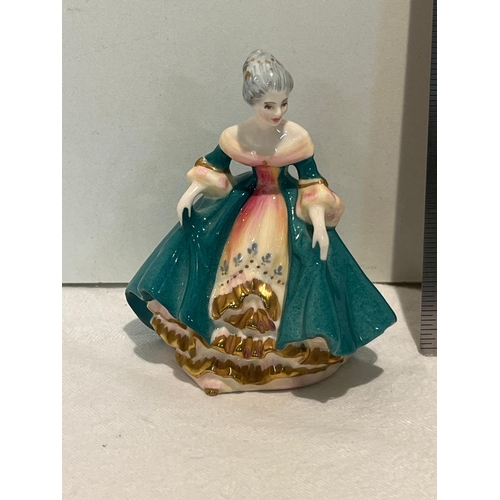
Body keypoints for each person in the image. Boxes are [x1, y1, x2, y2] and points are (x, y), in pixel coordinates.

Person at [126, 50, 396, 395]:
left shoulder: (296, 137)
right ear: (253, 102)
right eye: (269, 105)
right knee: (216, 259)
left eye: (284, 103)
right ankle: (222, 355)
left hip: (285, 210)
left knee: (307, 265)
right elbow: (214, 167)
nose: (278, 112)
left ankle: (292, 348)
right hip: (246, 207)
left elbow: (311, 181)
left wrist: (317, 217)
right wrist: (192, 192)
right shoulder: (235, 136)